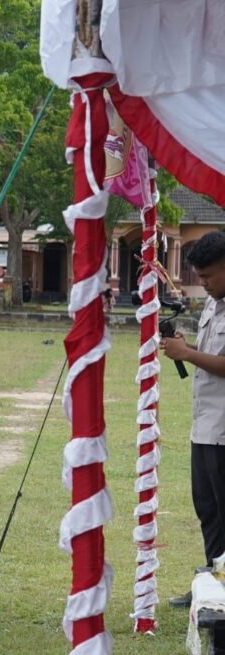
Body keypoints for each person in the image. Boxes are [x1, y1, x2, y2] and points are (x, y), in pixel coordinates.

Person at [161, 230, 225, 608]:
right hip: (205, 426)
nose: (204, 283)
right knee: (208, 509)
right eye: (200, 277)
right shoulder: (215, 305)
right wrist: (186, 347)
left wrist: (187, 354)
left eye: (210, 276)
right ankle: (211, 584)